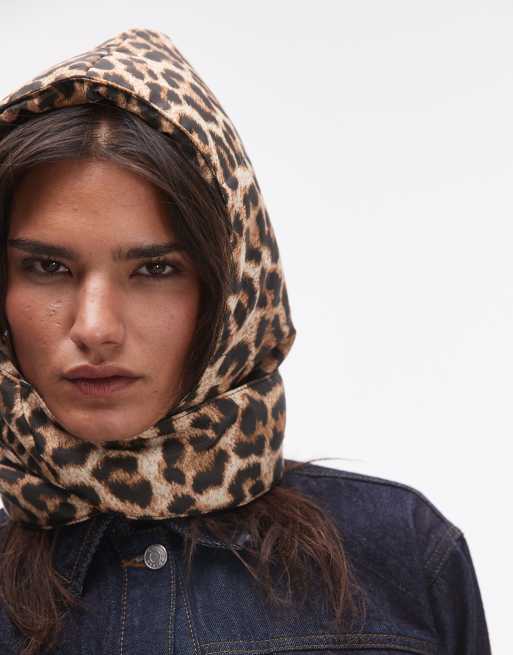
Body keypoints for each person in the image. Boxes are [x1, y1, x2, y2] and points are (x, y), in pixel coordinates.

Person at [0, 27, 491, 655]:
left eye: (155, 269)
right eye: (48, 267)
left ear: (229, 291)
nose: (95, 327)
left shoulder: (401, 555)